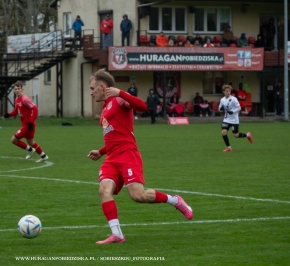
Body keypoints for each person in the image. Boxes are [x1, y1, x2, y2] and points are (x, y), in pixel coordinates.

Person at [87, 69, 193, 244]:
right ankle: (117, 234)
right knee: (104, 190)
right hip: (111, 158)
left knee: (138, 196)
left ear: (102, 86)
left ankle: (175, 201)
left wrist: (121, 92)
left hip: (127, 155)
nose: (91, 92)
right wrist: (101, 151)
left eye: (92, 88)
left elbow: (143, 107)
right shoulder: (105, 108)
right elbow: (115, 137)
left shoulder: (119, 99)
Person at [3, 81, 48, 162]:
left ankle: (30, 150)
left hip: (28, 125)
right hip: (27, 124)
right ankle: (43, 155)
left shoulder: (25, 99)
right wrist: (9, 114)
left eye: (18, 89)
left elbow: (35, 109)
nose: (17, 90)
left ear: (22, 89)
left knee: (13, 140)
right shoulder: (17, 99)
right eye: (15, 89)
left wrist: (31, 122)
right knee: (31, 142)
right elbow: (17, 110)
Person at [219, 84, 253, 152]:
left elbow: (239, 107)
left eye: (229, 91)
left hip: (234, 120)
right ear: (224, 92)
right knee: (223, 132)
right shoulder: (222, 100)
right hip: (226, 119)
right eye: (227, 91)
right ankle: (229, 147)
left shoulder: (234, 99)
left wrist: (233, 111)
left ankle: (247, 135)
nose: (228, 92)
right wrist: (221, 109)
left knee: (236, 135)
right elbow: (219, 108)